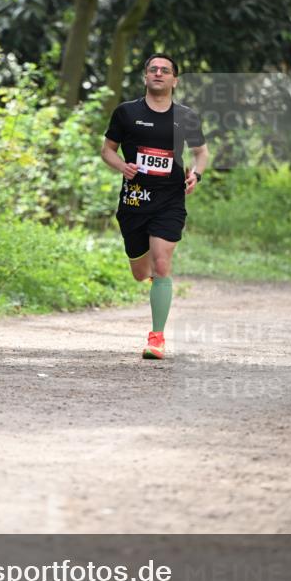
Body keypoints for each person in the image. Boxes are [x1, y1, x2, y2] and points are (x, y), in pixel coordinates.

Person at [101, 53, 209, 360]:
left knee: (162, 263)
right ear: (145, 77)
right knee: (141, 272)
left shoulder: (186, 116)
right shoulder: (126, 112)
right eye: (153, 69)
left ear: (175, 80)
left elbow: (201, 153)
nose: (158, 73)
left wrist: (196, 175)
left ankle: (157, 337)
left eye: (165, 70)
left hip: (170, 201)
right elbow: (107, 150)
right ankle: (150, 278)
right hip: (134, 200)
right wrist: (122, 166)